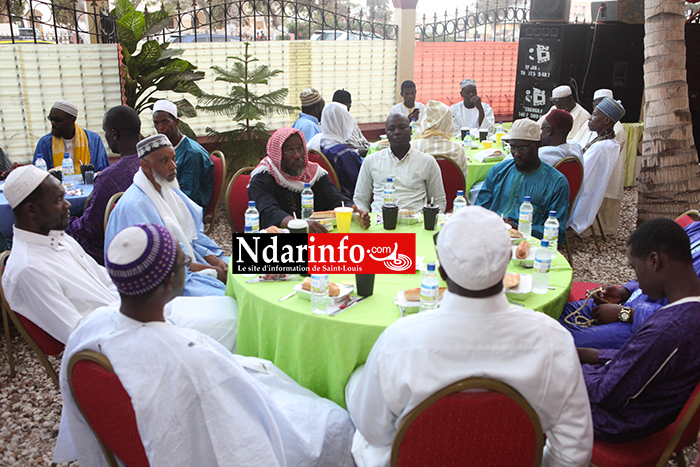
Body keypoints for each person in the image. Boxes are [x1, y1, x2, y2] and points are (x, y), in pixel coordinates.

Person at [53, 223, 352, 466]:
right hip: (234, 392)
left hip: (181, 311)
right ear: (170, 281)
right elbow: (244, 440)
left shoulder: (91, 328)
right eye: (184, 262)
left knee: (257, 258)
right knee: (336, 419)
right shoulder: (193, 359)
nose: (172, 165)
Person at [346, 206, 593, 467]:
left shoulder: (398, 342)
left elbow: (374, 432)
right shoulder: (553, 340)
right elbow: (574, 452)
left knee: (357, 381)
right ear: (507, 260)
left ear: (441, 272)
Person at [1, 167, 237, 347]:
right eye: (58, 200)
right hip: (129, 337)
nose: (67, 205)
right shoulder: (28, 268)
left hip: (141, 312)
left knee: (235, 307)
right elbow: (79, 335)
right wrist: (145, 319)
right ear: (31, 209)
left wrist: (149, 302)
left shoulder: (59, 238)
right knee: (239, 324)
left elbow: (106, 280)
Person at [580, 218, 700, 443]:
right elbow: (638, 362)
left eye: (635, 268)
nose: (637, 280)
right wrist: (586, 354)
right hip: (632, 403)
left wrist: (561, 367)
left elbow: (606, 392)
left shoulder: (669, 329)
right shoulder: (688, 309)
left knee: (524, 383)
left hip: (615, 421)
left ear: (654, 261)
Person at [105, 135, 228, 296]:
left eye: (173, 159)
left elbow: (193, 237)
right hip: (169, 282)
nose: (173, 166)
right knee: (231, 296)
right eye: (165, 161)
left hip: (193, 260)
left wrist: (216, 260)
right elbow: (164, 264)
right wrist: (215, 273)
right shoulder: (135, 206)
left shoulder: (168, 189)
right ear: (146, 166)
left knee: (261, 264)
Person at [249, 127, 370, 232]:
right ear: (278, 155)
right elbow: (269, 212)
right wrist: (301, 225)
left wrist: (356, 212)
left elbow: (337, 200)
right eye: (289, 150)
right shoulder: (262, 177)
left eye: (300, 149)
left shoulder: (314, 174)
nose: (297, 155)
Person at [64, 106, 142, 265]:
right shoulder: (152, 163)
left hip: (112, 249)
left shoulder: (110, 177)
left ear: (114, 134)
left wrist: (66, 222)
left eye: (105, 131)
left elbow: (90, 228)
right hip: (148, 239)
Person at [476, 118, 569, 240]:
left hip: (528, 242)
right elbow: (479, 210)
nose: (517, 153)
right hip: (490, 236)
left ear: (539, 145)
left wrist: (519, 228)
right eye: (513, 148)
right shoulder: (498, 171)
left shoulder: (556, 182)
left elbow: (558, 233)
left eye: (523, 148)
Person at [353, 113, 446, 213]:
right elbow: (360, 199)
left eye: (402, 128)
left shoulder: (427, 161)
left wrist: (430, 223)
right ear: (386, 134)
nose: (397, 132)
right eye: (391, 129)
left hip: (415, 223)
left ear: (410, 131)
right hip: (380, 223)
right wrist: (363, 216)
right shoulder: (371, 161)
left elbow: (438, 201)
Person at [567, 98, 625, 235]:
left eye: (594, 115)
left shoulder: (601, 147)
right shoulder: (609, 142)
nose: (589, 119)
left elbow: (580, 175)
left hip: (578, 195)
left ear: (606, 121)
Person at [152, 99, 214, 209]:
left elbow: (188, 195)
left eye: (165, 122)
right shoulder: (164, 147)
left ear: (176, 122)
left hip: (190, 207)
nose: (160, 127)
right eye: (156, 123)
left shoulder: (191, 153)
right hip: (172, 201)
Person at [33, 100, 109, 172]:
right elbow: (38, 175)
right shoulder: (44, 143)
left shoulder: (93, 140)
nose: (53, 123)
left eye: (58, 120)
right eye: (51, 119)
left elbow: (103, 171)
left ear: (73, 120)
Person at [306, 102, 363, 198]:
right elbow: (361, 181)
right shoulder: (345, 153)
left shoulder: (316, 142)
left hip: (325, 197)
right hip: (347, 200)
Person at [412, 100, 468, 177]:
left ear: (425, 121)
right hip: (451, 189)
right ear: (448, 122)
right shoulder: (458, 149)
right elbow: (463, 179)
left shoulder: (413, 147)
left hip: (421, 189)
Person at [332, 89, 370, 156]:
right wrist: (357, 151)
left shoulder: (351, 122)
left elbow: (365, 142)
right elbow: (337, 151)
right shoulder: (329, 126)